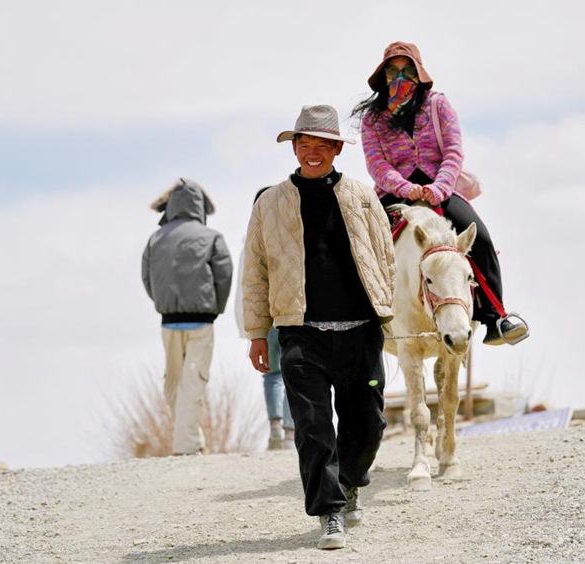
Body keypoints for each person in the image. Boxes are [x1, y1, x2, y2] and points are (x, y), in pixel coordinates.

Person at [241, 104, 396, 550]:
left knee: (369, 423)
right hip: (300, 332)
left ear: (336, 150)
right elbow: (255, 271)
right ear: (293, 148)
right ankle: (329, 512)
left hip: (360, 329)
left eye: (321, 146)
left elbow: (384, 256)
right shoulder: (269, 202)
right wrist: (257, 332)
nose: (312, 153)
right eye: (303, 145)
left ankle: (349, 483)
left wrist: (388, 311)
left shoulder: (363, 195)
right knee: (312, 427)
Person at [352, 41, 529, 346]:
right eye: (392, 71)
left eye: (406, 69)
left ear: (419, 72)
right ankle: (357, 319)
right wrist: (405, 188)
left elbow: (453, 151)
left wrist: (438, 188)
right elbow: (376, 163)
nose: (399, 76)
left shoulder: (438, 105)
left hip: (441, 189)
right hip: (395, 192)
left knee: (482, 238)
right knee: (359, 246)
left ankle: (495, 317)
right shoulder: (372, 118)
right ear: (383, 76)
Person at [142, 177, 233, 455]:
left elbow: (147, 278)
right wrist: (215, 308)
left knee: (174, 382)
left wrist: (163, 303)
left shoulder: (155, 238)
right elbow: (224, 276)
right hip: (201, 320)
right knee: (194, 381)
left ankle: (193, 441)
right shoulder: (211, 237)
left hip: (168, 322)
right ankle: (188, 446)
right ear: (200, 206)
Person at [234, 188, 295, 450]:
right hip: (289, 313)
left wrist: (248, 326)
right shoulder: (289, 234)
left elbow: (244, 287)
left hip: (265, 316)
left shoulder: (248, 241)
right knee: (293, 372)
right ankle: (291, 430)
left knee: (272, 373)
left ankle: (275, 426)